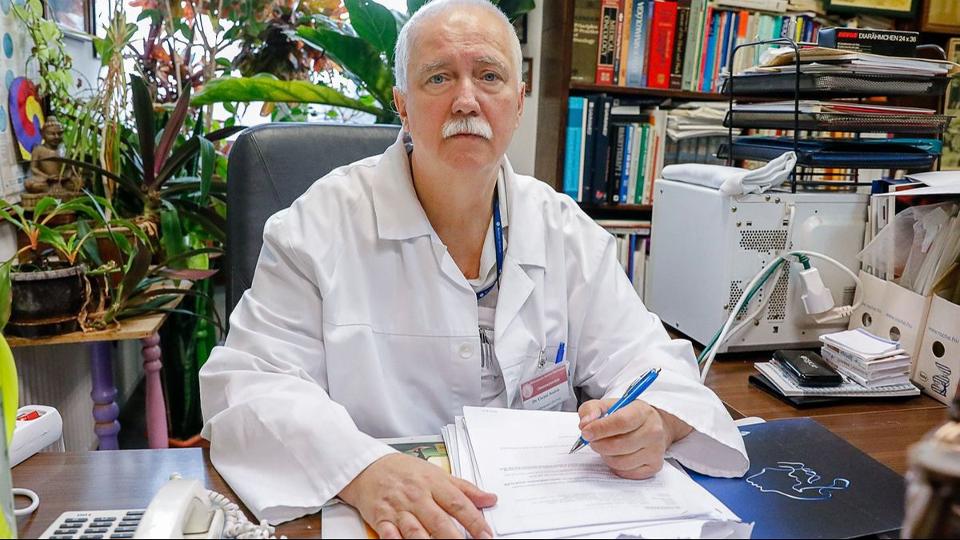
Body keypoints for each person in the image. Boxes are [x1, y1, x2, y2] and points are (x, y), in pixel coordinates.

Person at [199, 0, 749, 538]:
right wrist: (363, 470)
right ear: (403, 105)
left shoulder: (563, 230)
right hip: (382, 517)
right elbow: (250, 385)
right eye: (438, 78)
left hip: (544, 513)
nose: (467, 100)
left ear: (518, 102)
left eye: (489, 76)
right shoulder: (315, 227)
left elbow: (650, 362)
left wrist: (655, 419)